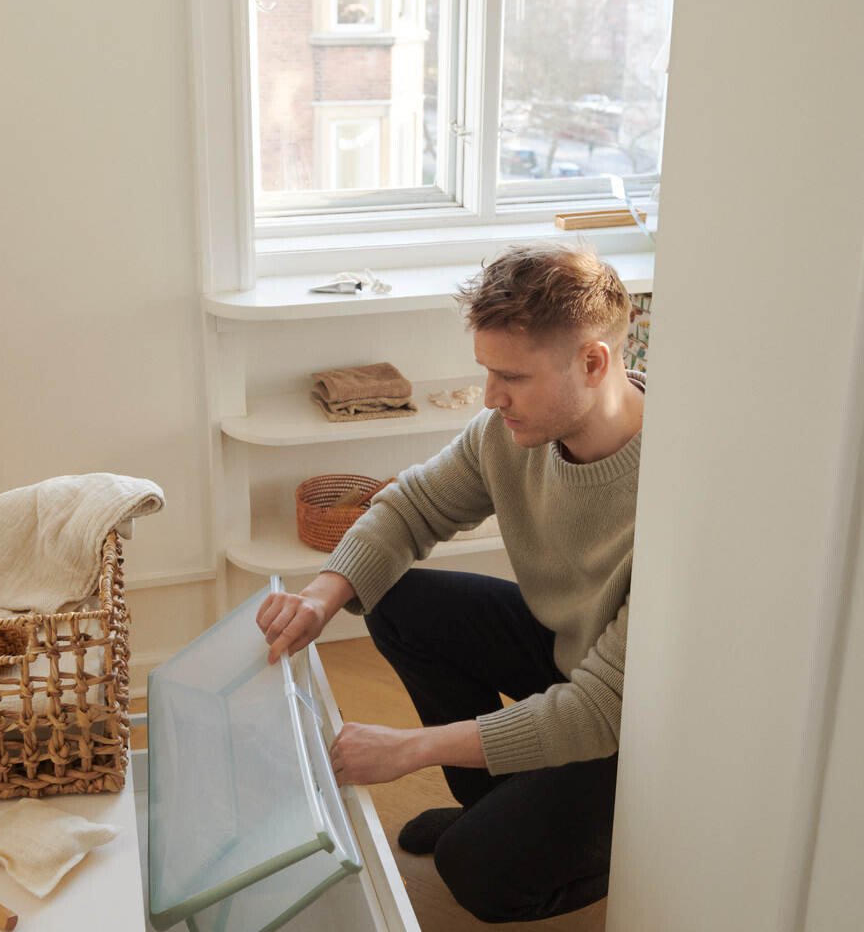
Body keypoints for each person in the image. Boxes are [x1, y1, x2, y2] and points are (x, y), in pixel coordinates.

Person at [256, 241, 645, 923]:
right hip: (570, 654)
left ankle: (627, 848)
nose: (492, 397)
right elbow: (407, 509)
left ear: (593, 362)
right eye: (486, 372)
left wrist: (410, 750)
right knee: (394, 598)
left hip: (634, 725)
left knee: (478, 874)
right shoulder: (503, 433)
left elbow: (598, 711)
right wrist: (321, 596)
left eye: (513, 377)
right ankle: (494, 804)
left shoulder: (673, 486)